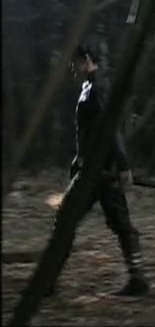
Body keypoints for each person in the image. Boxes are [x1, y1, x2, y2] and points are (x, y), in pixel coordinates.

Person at [48, 43, 149, 297]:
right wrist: (78, 160)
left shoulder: (99, 88)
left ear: (86, 59)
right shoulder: (89, 87)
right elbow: (88, 132)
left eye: (74, 63)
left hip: (102, 171)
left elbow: (111, 128)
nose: (72, 68)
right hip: (91, 170)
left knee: (103, 221)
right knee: (74, 219)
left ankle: (47, 281)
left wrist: (122, 166)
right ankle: (48, 281)